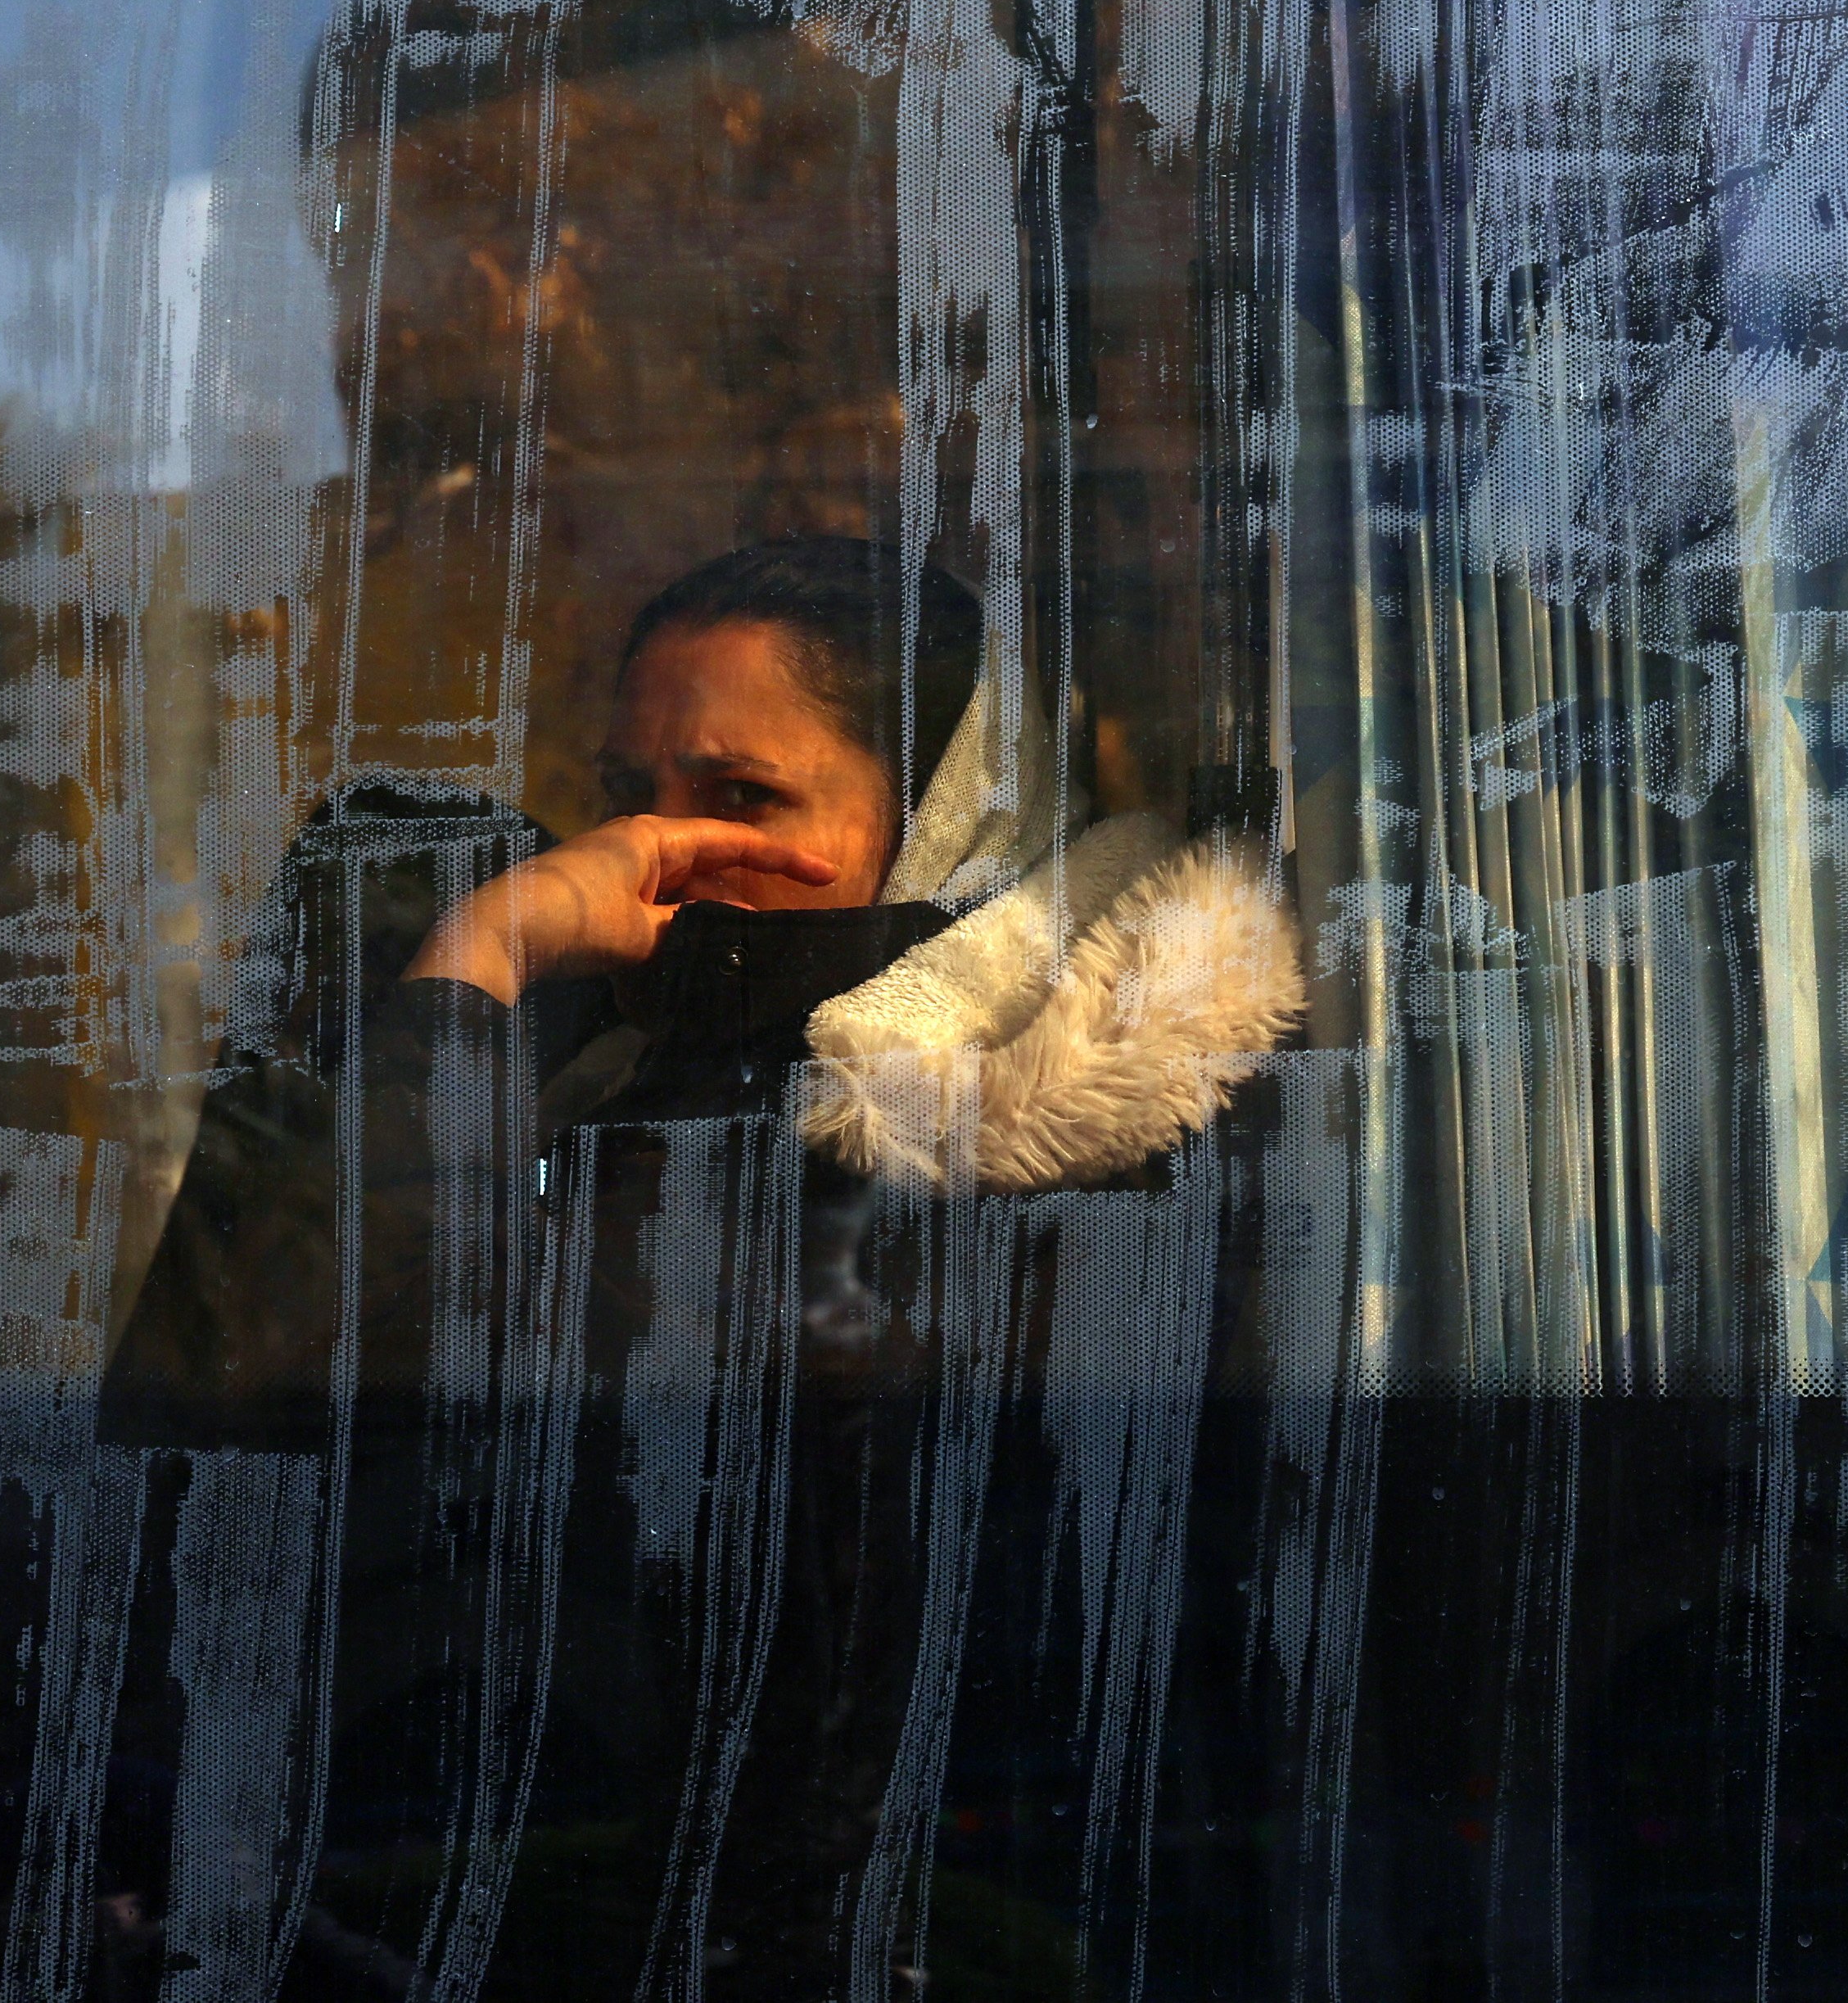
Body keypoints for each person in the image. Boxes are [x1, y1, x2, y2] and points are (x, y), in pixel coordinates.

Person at [99, 536, 1297, 1999]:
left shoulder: (1044, 1133)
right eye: (625, 800)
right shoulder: (586, 1080)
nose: (641, 862)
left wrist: (487, 976)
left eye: (743, 799)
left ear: (942, 833)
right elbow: (237, 1397)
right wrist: (480, 972)